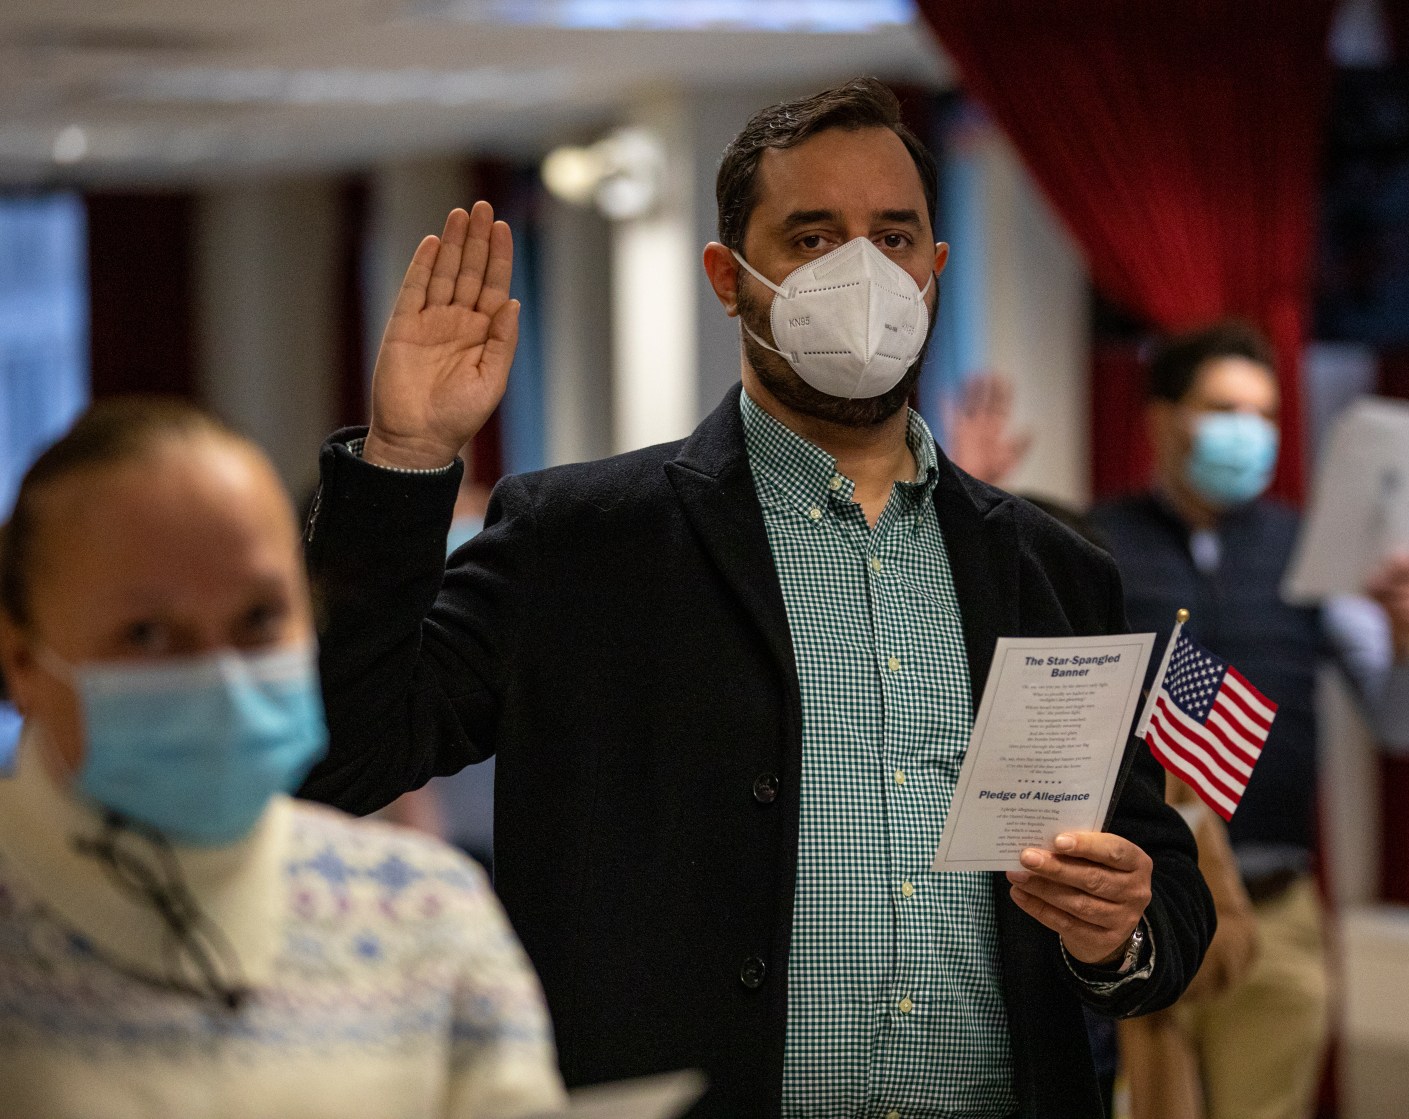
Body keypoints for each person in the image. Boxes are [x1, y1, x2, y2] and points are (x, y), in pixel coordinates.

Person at [299, 79, 1214, 1119]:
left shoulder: (1054, 568)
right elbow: (344, 751)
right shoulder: (584, 541)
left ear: (934, 270)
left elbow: (1164, 895)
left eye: (894, 237)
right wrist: (407, 460)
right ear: (729, 278)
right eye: (813, 237)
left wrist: (1118, 930)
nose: (862, 272)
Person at [0, 399, 566, 1119]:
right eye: (146, 632)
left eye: (260, 618)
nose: (220, 674)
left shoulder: (429, 916)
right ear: (22, 658)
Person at [1089, 320, 1409, 1119]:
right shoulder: (1096, 543)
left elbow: (1400, 722)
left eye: (1265, 413)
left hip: (1277, 912)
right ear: (1160, 417)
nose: (1249, 432)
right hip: (1145, 905)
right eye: (1223, 407)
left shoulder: (1313, 551)